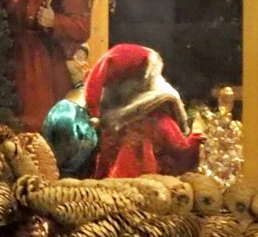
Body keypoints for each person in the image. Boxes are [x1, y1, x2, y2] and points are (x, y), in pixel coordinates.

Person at [84, 43, 198, 179]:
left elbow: (102, 168)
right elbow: (180, 154)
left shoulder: (111, 126)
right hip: (153, 193)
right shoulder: (158, 119)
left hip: (112, 194)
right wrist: (194, 143)